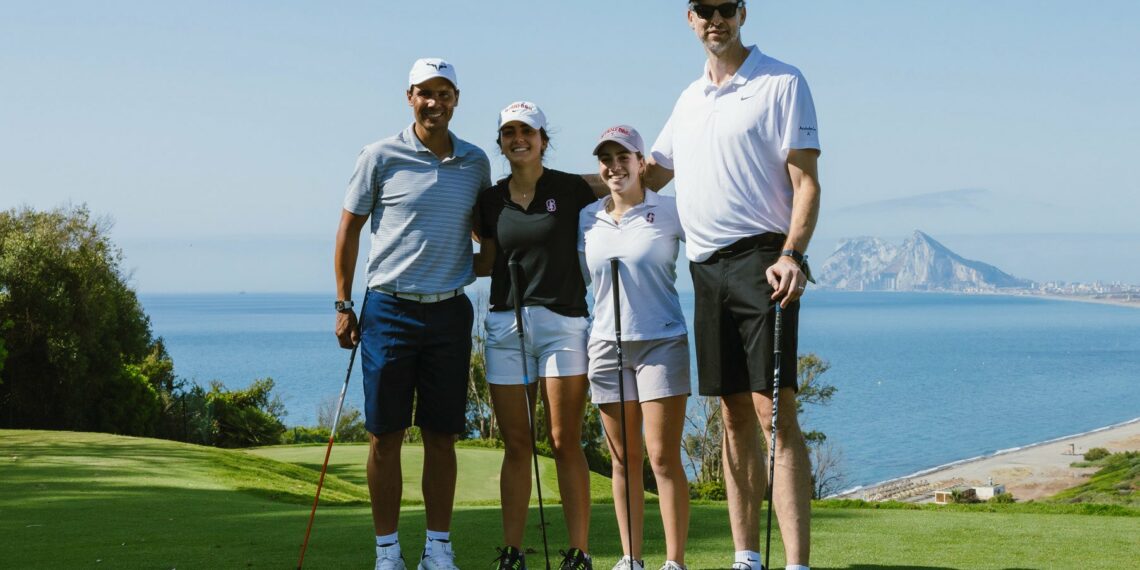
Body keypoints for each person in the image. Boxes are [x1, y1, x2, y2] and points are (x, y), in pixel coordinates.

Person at [642, 2, 823, 570]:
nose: (715, 18)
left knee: (775, 415)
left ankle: (795, 563)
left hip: (763, 262)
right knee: (731, 414)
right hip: (705, 271)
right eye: (704, 9)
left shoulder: (781, 80)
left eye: (726, 7)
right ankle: (746, 556)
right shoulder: (688, 99)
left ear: (742, 13)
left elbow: (806, 181)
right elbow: (646, 174)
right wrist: (549, 183)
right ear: (689, 18)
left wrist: (792, 254)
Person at [334, 57, 491, 570]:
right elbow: (349, 230)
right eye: (426, 93)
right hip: (388, 310)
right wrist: (343, 303)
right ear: (410, 97)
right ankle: (387, 553)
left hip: (449, 312)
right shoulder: (379, 155)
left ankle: (437, 550)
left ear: (456, 100)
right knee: (385, 435)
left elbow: (483, 235)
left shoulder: (475, 162)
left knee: (442, 436)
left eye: (444, 93)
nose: (435, 102)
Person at [473, 102, 598, 570]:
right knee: (517, 444)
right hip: (506, 325)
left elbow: (626, 182)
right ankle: (512, 552)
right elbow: (484, 260)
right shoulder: (490, 199)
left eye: (527, 130)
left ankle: (579, 552)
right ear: (501, 142)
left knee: (565, 441)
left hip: (563, 325)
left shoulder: (571, 189)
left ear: (544, 139)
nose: (517, 138)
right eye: (508, 131)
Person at [578, 125, 691, 570]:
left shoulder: (669, 210)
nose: (614, 166)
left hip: (661, 340)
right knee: (623, 459)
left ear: (642, 163)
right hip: (606, 345)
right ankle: (630, 559)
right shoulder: (588, 217)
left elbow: (714, 241)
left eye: (623, 157)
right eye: (606, 158)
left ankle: (675, 561)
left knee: (662, 458)